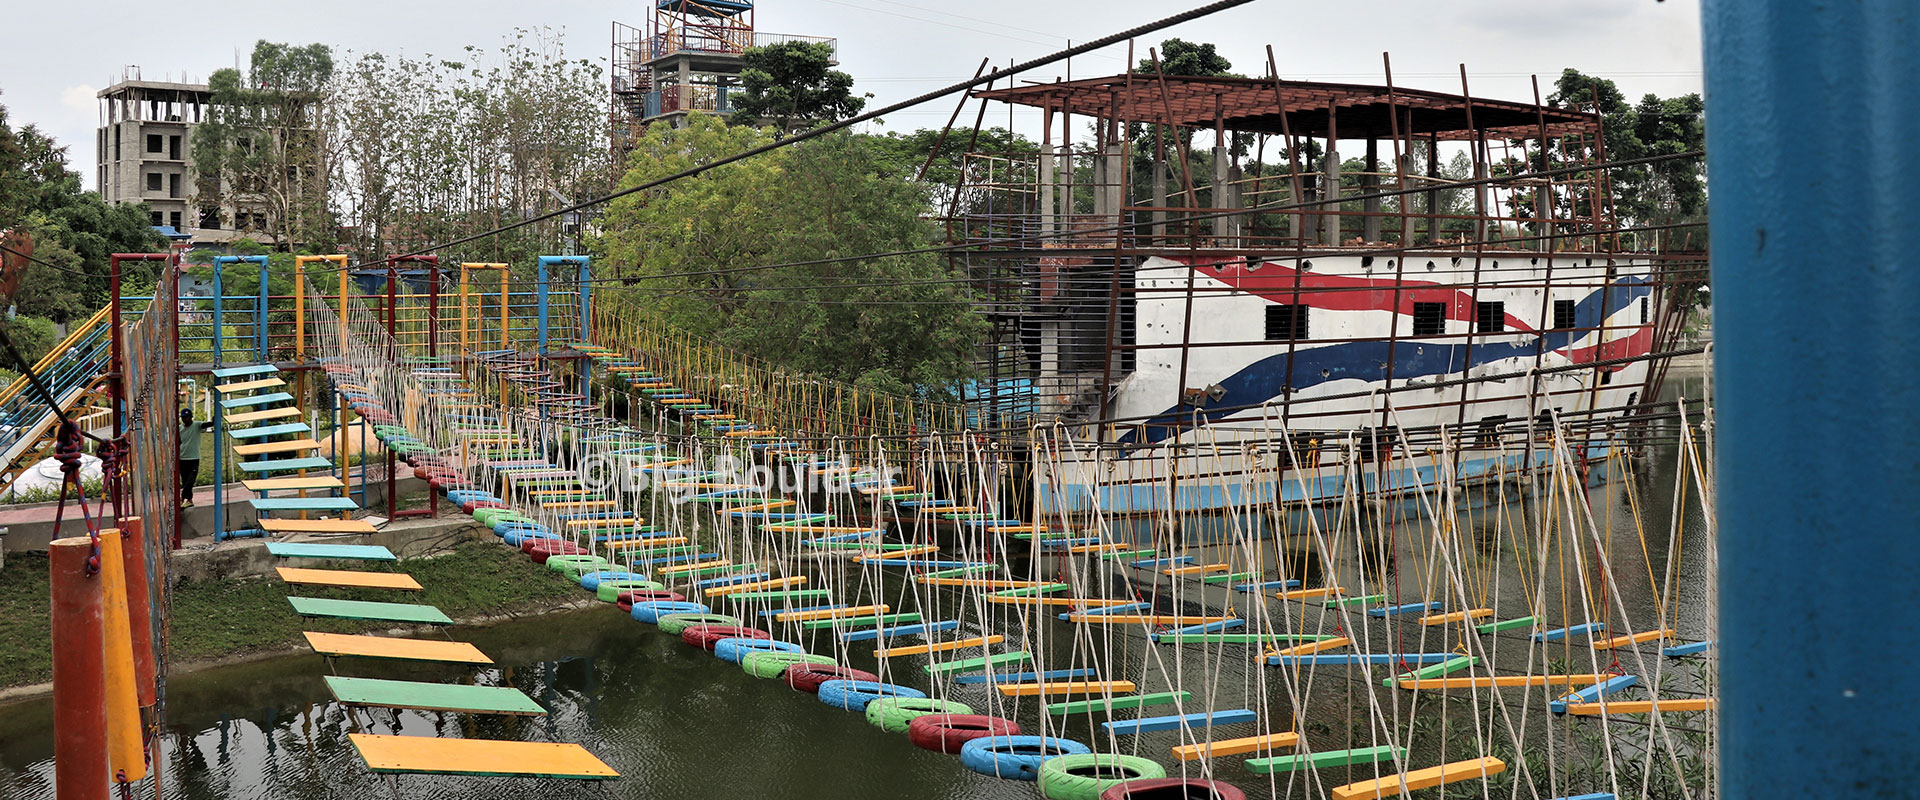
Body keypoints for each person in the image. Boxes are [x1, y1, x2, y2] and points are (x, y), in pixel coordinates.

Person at [179, 407, 211, 507]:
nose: (185, 419)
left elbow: (205, 425)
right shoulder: (180, 428)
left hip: (193, 458)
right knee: (185, 481)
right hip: (182, 458)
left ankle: (182, 498)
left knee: (190, 481)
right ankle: (189, 500)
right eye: (183, 418)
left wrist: (214, 421)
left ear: (191, 417)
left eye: (187, 417)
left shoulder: (196, 425)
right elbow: (179, 441)